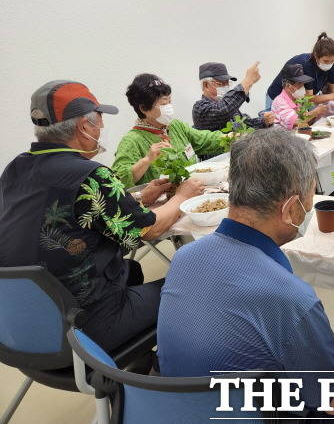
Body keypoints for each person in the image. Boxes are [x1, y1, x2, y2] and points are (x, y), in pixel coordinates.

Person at [157, 128, 334, 416]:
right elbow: (331, 399)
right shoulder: (291, 299)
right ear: (291, 207)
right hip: (254, 419)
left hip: (173, 411)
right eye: (310, 196)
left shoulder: (184, 257)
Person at [0, 80, 204, 350]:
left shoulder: (15, 168)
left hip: (22, 326)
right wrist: (183, 195)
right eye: (99, 120)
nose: (102, 127)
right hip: (84, 325)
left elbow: (70, 210)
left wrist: (139, 198)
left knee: (132, 270)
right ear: (84, 127)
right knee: (199, 286)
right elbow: (149, 229)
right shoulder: (90, 174)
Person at [113, 73, 226, 188]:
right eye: (163, 104)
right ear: (143, 108)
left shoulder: (175, 126)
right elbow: (119, 180)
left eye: (169, 102)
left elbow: (204, 139)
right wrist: (147, 160)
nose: (169, 107)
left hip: (192, 192)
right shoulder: (132, 141)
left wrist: (232, 137)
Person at [265, 32, 334, 112]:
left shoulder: (330, 65)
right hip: (277, 98)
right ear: (316, 55)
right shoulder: (306, 65)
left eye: (332, 61)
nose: (329, 64)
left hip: (298, 102)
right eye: (326, 61)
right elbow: (310, 98)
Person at [192, 61, 275, 132]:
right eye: (220, 83)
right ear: (206, 85)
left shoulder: (230, 107)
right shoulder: (200, 108)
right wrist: (248, 81)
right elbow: (223, 110)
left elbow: (245, 124)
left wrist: (264, 121)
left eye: (227, 83)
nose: (225, 87)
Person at [271, 64, 327, 129]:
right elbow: (297, 122)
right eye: (299, 84)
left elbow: (305, 121)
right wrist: (315, 112)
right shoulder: (280, 102)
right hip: (282, 137)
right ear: (289, 86)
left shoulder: (298, 101)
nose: (303, 87)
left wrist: (317, 114)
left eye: (303, 84)